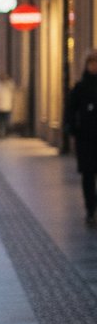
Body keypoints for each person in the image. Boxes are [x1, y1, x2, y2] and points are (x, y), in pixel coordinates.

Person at [66, 49, 97, 226]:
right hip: (85, 138)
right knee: (87, 175)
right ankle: (90, 209)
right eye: (91, 63)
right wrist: (73, 129)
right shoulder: (80, 87)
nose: (94, 66)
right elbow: (70, 110)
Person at [0, 73, 15, 139]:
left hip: (6, 106)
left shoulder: (9, 84)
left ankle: (5, 132)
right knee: (1, 121)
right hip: (0, 106)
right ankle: (0, 132)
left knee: (5, 120)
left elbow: (13, 93)